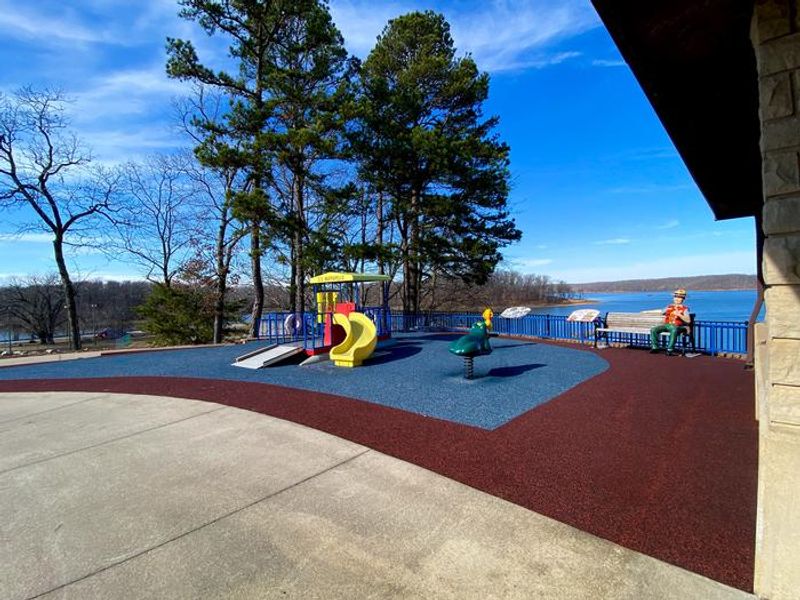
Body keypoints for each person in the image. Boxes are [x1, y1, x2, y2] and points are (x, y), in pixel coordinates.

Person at [649, 288, 691, 356]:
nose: (677, 299)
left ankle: (670, 349)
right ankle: (655, 347)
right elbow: (661, 312)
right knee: (654, 329)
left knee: (673, 329)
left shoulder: (685, 309)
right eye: (676, 297)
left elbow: (688, 320)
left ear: (683, 299)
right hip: (667, 325)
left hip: (678, 327)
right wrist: (647, 312)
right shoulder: (669, 307)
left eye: (679, 297)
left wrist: (679, 315)